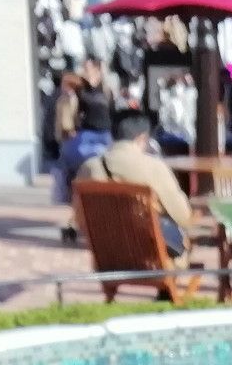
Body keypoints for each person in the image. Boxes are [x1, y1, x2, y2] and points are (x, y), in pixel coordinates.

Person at [76, 110, 198, 263]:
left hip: (108, 259)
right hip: (152, 261)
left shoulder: (89, 167)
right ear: (142, 138)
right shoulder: (155, 167)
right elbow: (183, 216)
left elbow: (80, 219)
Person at [56, 60, 117, 242]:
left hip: (104, 135)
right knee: (85, 177)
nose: (86, 72)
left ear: (98, 71)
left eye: (89, 69)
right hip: (85, 137)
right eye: (85, 69)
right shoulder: (78, 89)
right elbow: (66, 102)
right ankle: (79, 219)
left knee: (104, 177)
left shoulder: (106, 90)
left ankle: (96, 218)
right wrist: (69, 129)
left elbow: (112, 113)